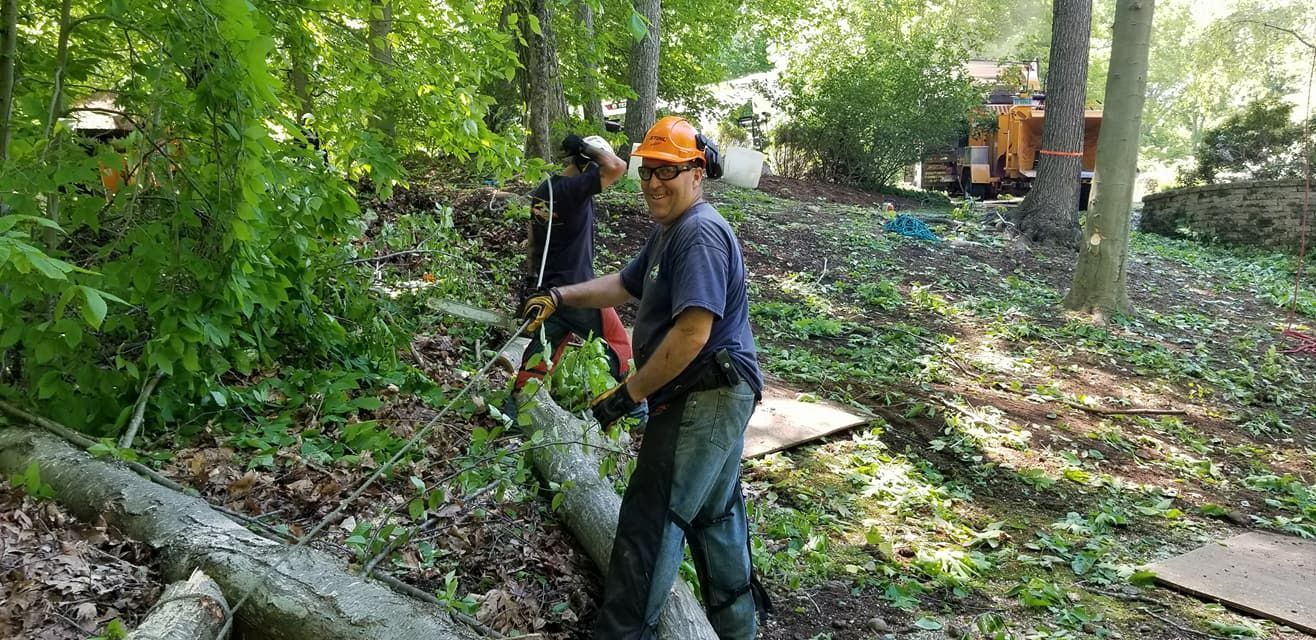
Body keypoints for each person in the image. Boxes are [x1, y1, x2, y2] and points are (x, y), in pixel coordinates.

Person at [520, 116, 768, 639]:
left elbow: (692, 334)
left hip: (704, 393)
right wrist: (562, 297)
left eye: (668, 171)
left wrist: (626, 393)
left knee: (649, 522)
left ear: (697, 173)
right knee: (715, 518)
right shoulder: (671, 232)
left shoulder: (698, 232)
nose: (654, 182)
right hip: (716, 392)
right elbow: (623, 285)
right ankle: (739, 630)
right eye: (648, 171)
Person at [512, 134, 633, 401]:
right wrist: (585, 147)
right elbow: (617, 166)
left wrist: (532, 282)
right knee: (619, 344)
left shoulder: (545, 190)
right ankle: (633, 406)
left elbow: (533, 240)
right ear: (588, 163)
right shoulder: (574, 189)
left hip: (549, 292)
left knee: (542, 352)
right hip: (578, 292)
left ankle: (517, 404)